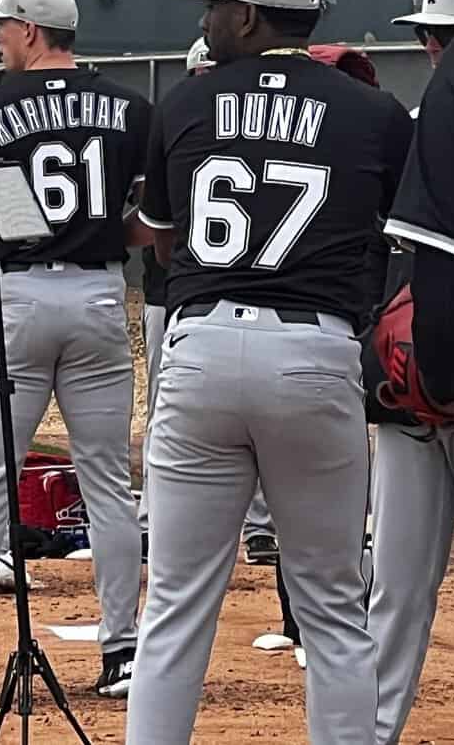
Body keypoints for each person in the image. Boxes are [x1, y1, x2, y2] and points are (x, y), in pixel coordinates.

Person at [126, 0, 413, 744]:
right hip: (316, 352)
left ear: (247, 14)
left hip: (204, 347)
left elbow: (160, 237)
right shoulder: (374, 111)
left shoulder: (186, 102)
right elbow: (403, 237)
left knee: (177, 608)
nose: (208, 17)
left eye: (215, 4)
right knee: (332, 610)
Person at [0, 0, 149, 704]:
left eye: (2, 26)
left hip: (18, 291)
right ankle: (121, 653)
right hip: (96, 291)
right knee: (110, 483)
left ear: (31, 30)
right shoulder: (128, 107)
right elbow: (152, 221)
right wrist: (106, 237)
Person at [369, 0, 454, 745]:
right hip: (411, 386)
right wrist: (383, 374)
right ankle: (368, 731)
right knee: (392, 588)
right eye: (428, 37)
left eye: (446, 35)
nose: (436, 50)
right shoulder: (414, 119)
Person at [137, 36, 279, 569]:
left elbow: (158, 230)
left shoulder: (181, 119)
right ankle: (155, 518)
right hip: (173, 297)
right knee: (165, 412)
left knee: (200, 418)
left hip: (191, 297)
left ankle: (257, 527)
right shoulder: (181, 121)